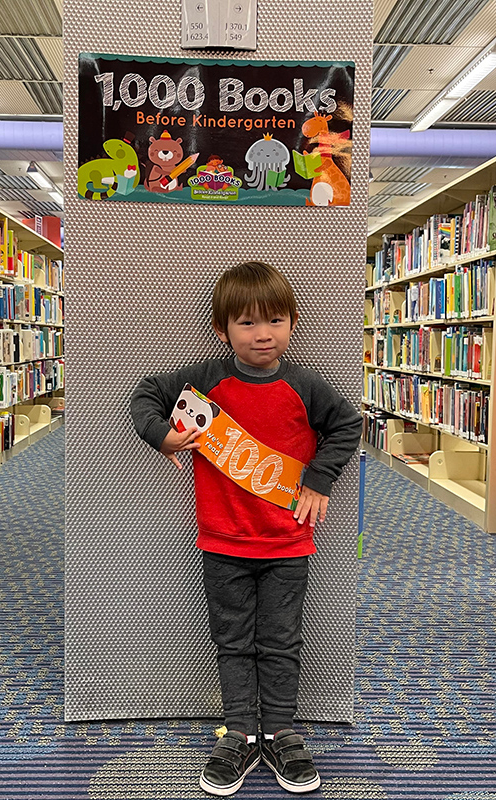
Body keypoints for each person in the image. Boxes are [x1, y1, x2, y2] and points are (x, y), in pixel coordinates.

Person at [130, 261, 362, 796]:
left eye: (276, 320)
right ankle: (239, 732)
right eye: (248, 323)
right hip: (221, 539)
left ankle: (281, 730)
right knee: (233, 640)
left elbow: (348, 425)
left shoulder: (305, 386)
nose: (264, 334)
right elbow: (145, 394)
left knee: (280, 641)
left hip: (288, 540)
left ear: (293, 323)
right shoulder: (208, 381)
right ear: (222, 330)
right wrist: (162, 436)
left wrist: (319, 479)